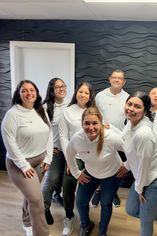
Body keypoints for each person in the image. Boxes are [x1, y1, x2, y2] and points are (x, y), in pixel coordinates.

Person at [1, 80, 53, 236]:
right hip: (19, 164)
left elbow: (49, 134)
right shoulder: (12, 114)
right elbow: (9, 142)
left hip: (41, 161)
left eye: (32, 90)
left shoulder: (41, 109)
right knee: (37, 200)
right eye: (24, 90)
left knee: (32, 194)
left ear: (36, 92)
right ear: (19, 94)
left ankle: (26, 221)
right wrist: (23, 165)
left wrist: (48, 158)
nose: (29, 93)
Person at [66, 106, 127, 236]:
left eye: (95, 123)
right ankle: (86, 224)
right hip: (90, 173)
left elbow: (132, 151)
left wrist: (127, 166)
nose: (91, 127)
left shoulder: (111, 137)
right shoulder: (77, 138)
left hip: (112, 175)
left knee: (106, 203)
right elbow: (69, 155)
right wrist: (77, 174)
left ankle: (102, 231)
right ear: (82, 124)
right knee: (81, 201)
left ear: (101, 123)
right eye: (87, 123)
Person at [122, 91, 157, 236]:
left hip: (156, 180)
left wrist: (139, 188)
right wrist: (126, 165)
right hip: (142, 178)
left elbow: (144, 165)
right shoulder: (129, 124)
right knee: (131, 210)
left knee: (145, 220)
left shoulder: (143, 134)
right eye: (129, 104)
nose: (131, 108)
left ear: (144, 111)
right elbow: (129, 148)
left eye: (137, 106)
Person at [58, 81, 95, 236]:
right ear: (76, 93)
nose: (83, 95)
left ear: (90, 95)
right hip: (75, 155)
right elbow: (63, 136)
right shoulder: (67, 111)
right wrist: (69, 158)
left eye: (86, 93)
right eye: (81, 91)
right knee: (68, 186)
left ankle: (85, 221)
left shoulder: (93, 111)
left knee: (87, 189)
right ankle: (69, 216)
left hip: (92, 155)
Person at [92, 69, 131, 207]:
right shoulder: (100, 96)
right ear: (109, 79)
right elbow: (95, 115)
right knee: (100, 165)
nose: (116, 80)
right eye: (114, 77)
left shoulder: (127, 98)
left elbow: (130, 118)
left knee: (115, 168)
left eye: (119, 78)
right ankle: (98, 191)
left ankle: (112, 192)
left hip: (119, 139)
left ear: (124, 81)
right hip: (101, 137)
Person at [42, 78, 69, 225]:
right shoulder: (45, 108)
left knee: (62, 179)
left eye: (63, 86)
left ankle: (56, 196)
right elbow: (41, 131)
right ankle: (44, 208)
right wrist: (49, 148)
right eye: (57, 87)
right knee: (52, 178)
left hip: (69, 150)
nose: (61, 89)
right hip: (56, 151)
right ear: (51, 90)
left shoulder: (70, 104)